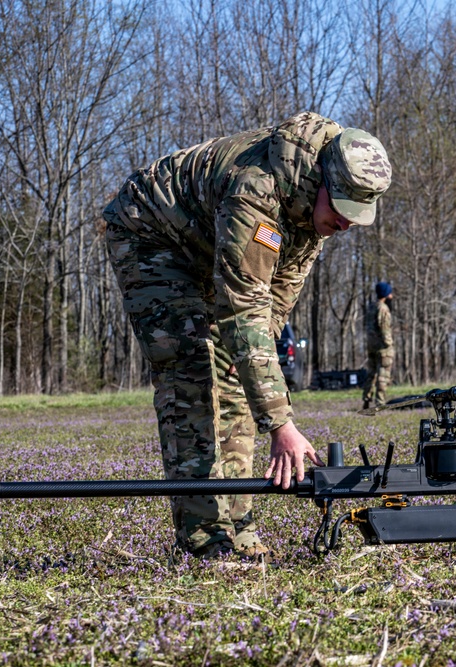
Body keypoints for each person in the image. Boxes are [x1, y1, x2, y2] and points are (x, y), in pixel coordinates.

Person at [102, 112, 392, 558]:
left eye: (357, 214)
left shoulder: (312, 212)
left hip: (211, 248)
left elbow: (275, 301)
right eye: (341, 210)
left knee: (237, 375)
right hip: (152, 233)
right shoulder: (257, 192)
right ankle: (205, 539)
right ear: (321, 183)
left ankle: (238, 525)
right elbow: (244, 306)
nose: (346, 224)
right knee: (192, 371)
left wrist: (251, 361)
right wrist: (280, 422)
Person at [362, 281, 394, 410]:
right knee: (383, 375)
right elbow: (384, 328)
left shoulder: (371, 306)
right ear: (386, 293)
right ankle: (380, 402)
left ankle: (366, 399)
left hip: (371, 345)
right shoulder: (383, 308)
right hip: (382, 347)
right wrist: (389, 344)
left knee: (371, 374)